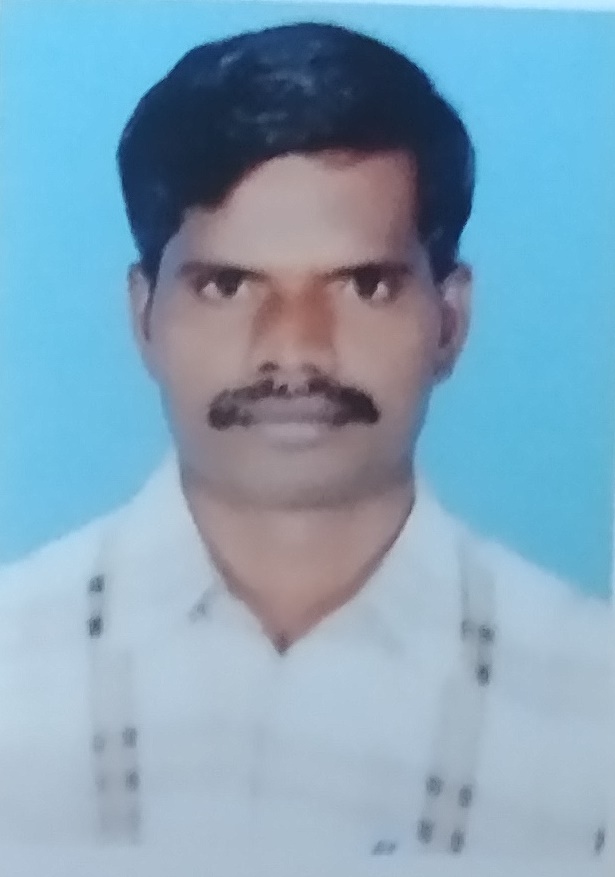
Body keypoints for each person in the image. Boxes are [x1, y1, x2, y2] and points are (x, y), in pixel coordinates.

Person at [0, 21, 609, 861]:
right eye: (227, 285)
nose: (294, 350)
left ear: (449, 319)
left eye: (363, 284)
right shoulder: (16, 665)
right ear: (144, 317)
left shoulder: (592, 701)